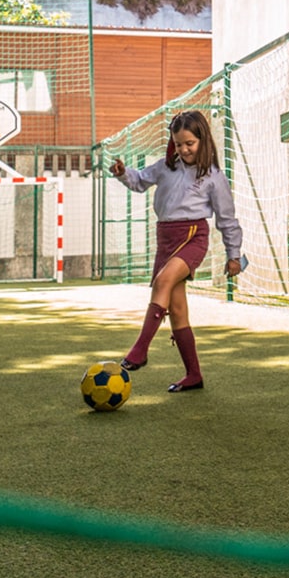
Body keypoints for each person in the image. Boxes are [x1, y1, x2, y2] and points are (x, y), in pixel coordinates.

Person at [108, 109, 245, 393]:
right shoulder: (165, 167)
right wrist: (124, 174)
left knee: (162, 282)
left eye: (190, 144)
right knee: (178, 309)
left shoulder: (213, 176)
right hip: (165, 238)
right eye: (179, 144)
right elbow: (139, 180)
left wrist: (234, 255)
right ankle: (193, 375)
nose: (184, 149)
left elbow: (227, 219)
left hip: (193, 237)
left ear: (203, 140)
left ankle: (140, 350)